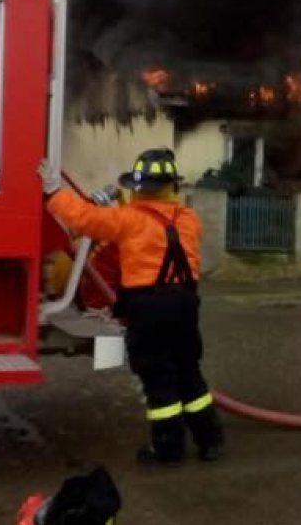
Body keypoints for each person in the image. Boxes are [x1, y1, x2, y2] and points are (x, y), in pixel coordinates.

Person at [39, 149, 224, 466]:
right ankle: (211, 441)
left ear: (137, 187)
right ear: (172, 186)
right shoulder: (190, 220)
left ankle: (168, 449)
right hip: (185, 304)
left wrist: (54, 192)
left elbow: (86, 219)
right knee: (189, 373)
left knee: (158, 379)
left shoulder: (128, 220)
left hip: (148, 307)